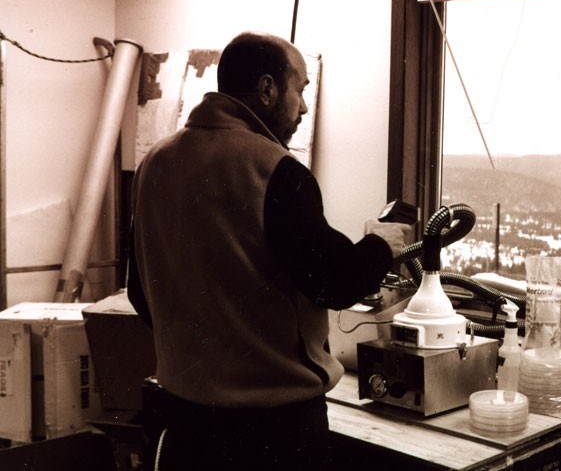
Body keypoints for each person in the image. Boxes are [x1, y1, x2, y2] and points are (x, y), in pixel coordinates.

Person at [127, 31, 411, 470]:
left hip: (184, 423)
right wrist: (383, 245)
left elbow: (139, 293)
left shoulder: (154, 163)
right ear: (266, 89)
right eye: (300, 90)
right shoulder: (275, 169)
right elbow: (334, 283)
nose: (303, 107)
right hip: (272, 430)